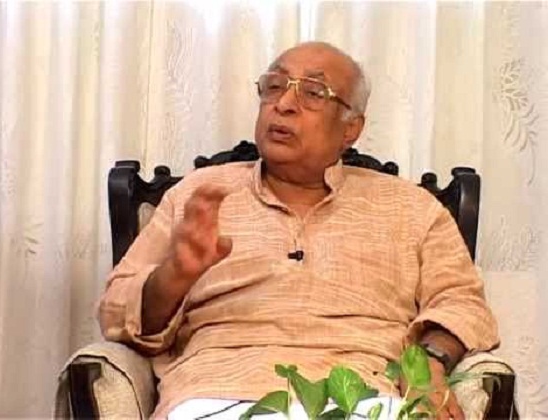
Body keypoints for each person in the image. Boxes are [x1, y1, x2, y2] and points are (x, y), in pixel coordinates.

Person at [98, 41, 499, 419]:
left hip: (364, 395)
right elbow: (116, 312)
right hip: (219, 393)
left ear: (351, 129)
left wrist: (428, 363)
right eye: (274, 86)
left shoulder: (412, 207)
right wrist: (173, 276)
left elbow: (462, 303)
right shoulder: (197, 195)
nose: (284, 104)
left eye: (312, 93)